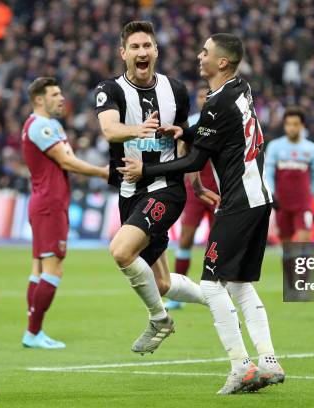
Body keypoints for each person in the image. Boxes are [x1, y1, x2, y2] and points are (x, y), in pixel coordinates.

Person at [120, 33, 284, 395]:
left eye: (205, 52)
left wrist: (144, 172)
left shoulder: (215, 103)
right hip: (259, 198)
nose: (199, 56)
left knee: (211, 284)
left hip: (237, 202)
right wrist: (186, 130)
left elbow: (196, 160)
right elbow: (215, 129)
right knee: (240, 285)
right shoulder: (242, 89)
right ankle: (269, 361)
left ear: (221, 62)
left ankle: (241, 366)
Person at [94, 21, 217, 355]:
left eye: (147, 45)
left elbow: (181, 139)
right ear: (123, 54)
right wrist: (139, 130)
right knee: (161, 282)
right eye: (134, 47)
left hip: (165, 188)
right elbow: (109, 129)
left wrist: (196, 181)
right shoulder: (111, 90)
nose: (141, 52)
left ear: (156, 51)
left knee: (121, 251)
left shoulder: (175, 89)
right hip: (129, 192)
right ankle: (222, 300)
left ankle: (159, 320)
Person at [21, 77, 108, 349]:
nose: (61, 98)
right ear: (39, 99)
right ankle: (34, 333)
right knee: (53, 268)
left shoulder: (52, 125)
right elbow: (66, 161)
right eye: (55, 94)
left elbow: (66, 158)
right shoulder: (40, 126)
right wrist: (102, 171)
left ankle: (32, 330)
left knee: (38, 268)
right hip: (49, 205)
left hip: (47, 202)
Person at [166, 85, 219, 311]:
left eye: (206, 96)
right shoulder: (191, 124)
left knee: (216, 244)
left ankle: (216, 292)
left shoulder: (222, 123)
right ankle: (178, 295)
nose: (202, 100)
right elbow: (181, 150)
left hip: (219, 191)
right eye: (199, 96)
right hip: (194, 190)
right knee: (186, 239)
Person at [264, 107, 314, 296]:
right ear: (285, 125)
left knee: (305, 243)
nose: (292, 128)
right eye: (288, 124)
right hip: (282, 204)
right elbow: (269, 173)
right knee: (287, 247)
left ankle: (303, 287)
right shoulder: (275, 147)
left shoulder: (311, 149)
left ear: (302, 126)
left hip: (303, 203)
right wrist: (271, 194)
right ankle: (290, 285)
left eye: (295, 124)